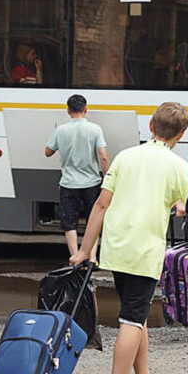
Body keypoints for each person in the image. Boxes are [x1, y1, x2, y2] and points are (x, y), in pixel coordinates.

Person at [70, 102, 188, 374]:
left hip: (117, 248)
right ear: (181, 135)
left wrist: (86, 249)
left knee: (135, 314)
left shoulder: (125, 157)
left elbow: (101, 205)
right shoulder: (177, 165)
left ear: (151, 126)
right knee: (130, 320)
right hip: (143, 251)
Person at [45, 95, 110, 261]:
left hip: (69, 184)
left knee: (70, 222)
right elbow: (103, 156)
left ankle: (75, 257)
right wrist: (108, 176)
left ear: (68, 110)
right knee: (93, 220)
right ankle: (92, 257)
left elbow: (48, 152)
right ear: (86, 109)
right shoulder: (95, 129)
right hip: (92, 183)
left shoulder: (61, 130)